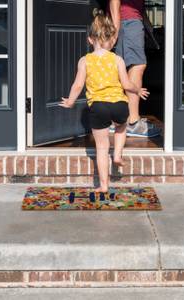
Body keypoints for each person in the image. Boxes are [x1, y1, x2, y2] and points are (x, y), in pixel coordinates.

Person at [59, 10, 149, 192]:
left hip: (98, 107)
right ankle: (117, 155)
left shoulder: (85, 61)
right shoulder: (117, 59)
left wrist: (70, 101)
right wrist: (137, 90)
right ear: (112, 40)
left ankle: (104, 185)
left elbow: (77, 85)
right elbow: (126, 83)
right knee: (121, 128)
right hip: (119, 105)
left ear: (90, 39)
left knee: (101, 148)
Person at [108, 0, 161, 137]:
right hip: (127, 21)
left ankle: (126, 118)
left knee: (132, 66)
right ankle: (132, 121)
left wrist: (145, 24)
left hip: (133, 21)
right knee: (136, 66)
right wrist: (115, 27)